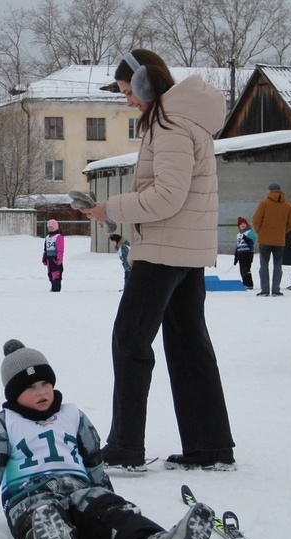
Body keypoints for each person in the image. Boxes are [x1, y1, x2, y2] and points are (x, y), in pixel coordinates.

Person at [78, 49, 236, 471]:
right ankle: (210, 446)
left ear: (149, 84)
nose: (128, 100)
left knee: (130, 340)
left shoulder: (169, 125)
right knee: (188, 345)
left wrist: (109, 209)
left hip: (164, 251)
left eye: (130, 91)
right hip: (183, 250)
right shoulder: (183, 121)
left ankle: (126, 446)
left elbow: (167, 196)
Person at [0, 339, 215, 539]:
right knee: (41, 516)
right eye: (30, 388)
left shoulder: (73, 415)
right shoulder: (0, 424)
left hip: (79, 489)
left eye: (45, 383)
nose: (41, 391)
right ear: (14, 395)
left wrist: (106, 495)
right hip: (28, 494)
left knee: (114, 512)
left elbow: (93, 461)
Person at [251, 182, 291, 296]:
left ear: (270, 191)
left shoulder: (264, 203)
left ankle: (265, 290)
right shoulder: (286, 206)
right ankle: (276, 290)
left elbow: (256, 220)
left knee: (264, 265)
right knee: (278, 265)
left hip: (265, 240)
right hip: (279, 240)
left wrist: (260, 231)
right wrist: (282, 231)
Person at [233, 217, 256, 290]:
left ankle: (249, 283)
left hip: (247, 253)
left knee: (246, 269)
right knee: (242, 269)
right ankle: (244, 282)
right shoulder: (238, 234)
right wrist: (236, 256)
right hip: (241, 254)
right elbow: (238, 246)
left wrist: (247, 239)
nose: (242, 225)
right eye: (241, 224)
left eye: (244, 224)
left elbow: (251, 243)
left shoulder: (249, 232)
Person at [42, 219, 64, 292]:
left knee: (56, 273)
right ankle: (52, 286)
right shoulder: (48, 237)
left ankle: (56, 288)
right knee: (50, 273)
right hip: (49, 258)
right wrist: (44, 258)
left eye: (51, 227)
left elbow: (60, 249)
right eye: (48, 227)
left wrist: (59, 259)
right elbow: (45, 249)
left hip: (55, 258)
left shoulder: (58, 236)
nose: (49, 229)